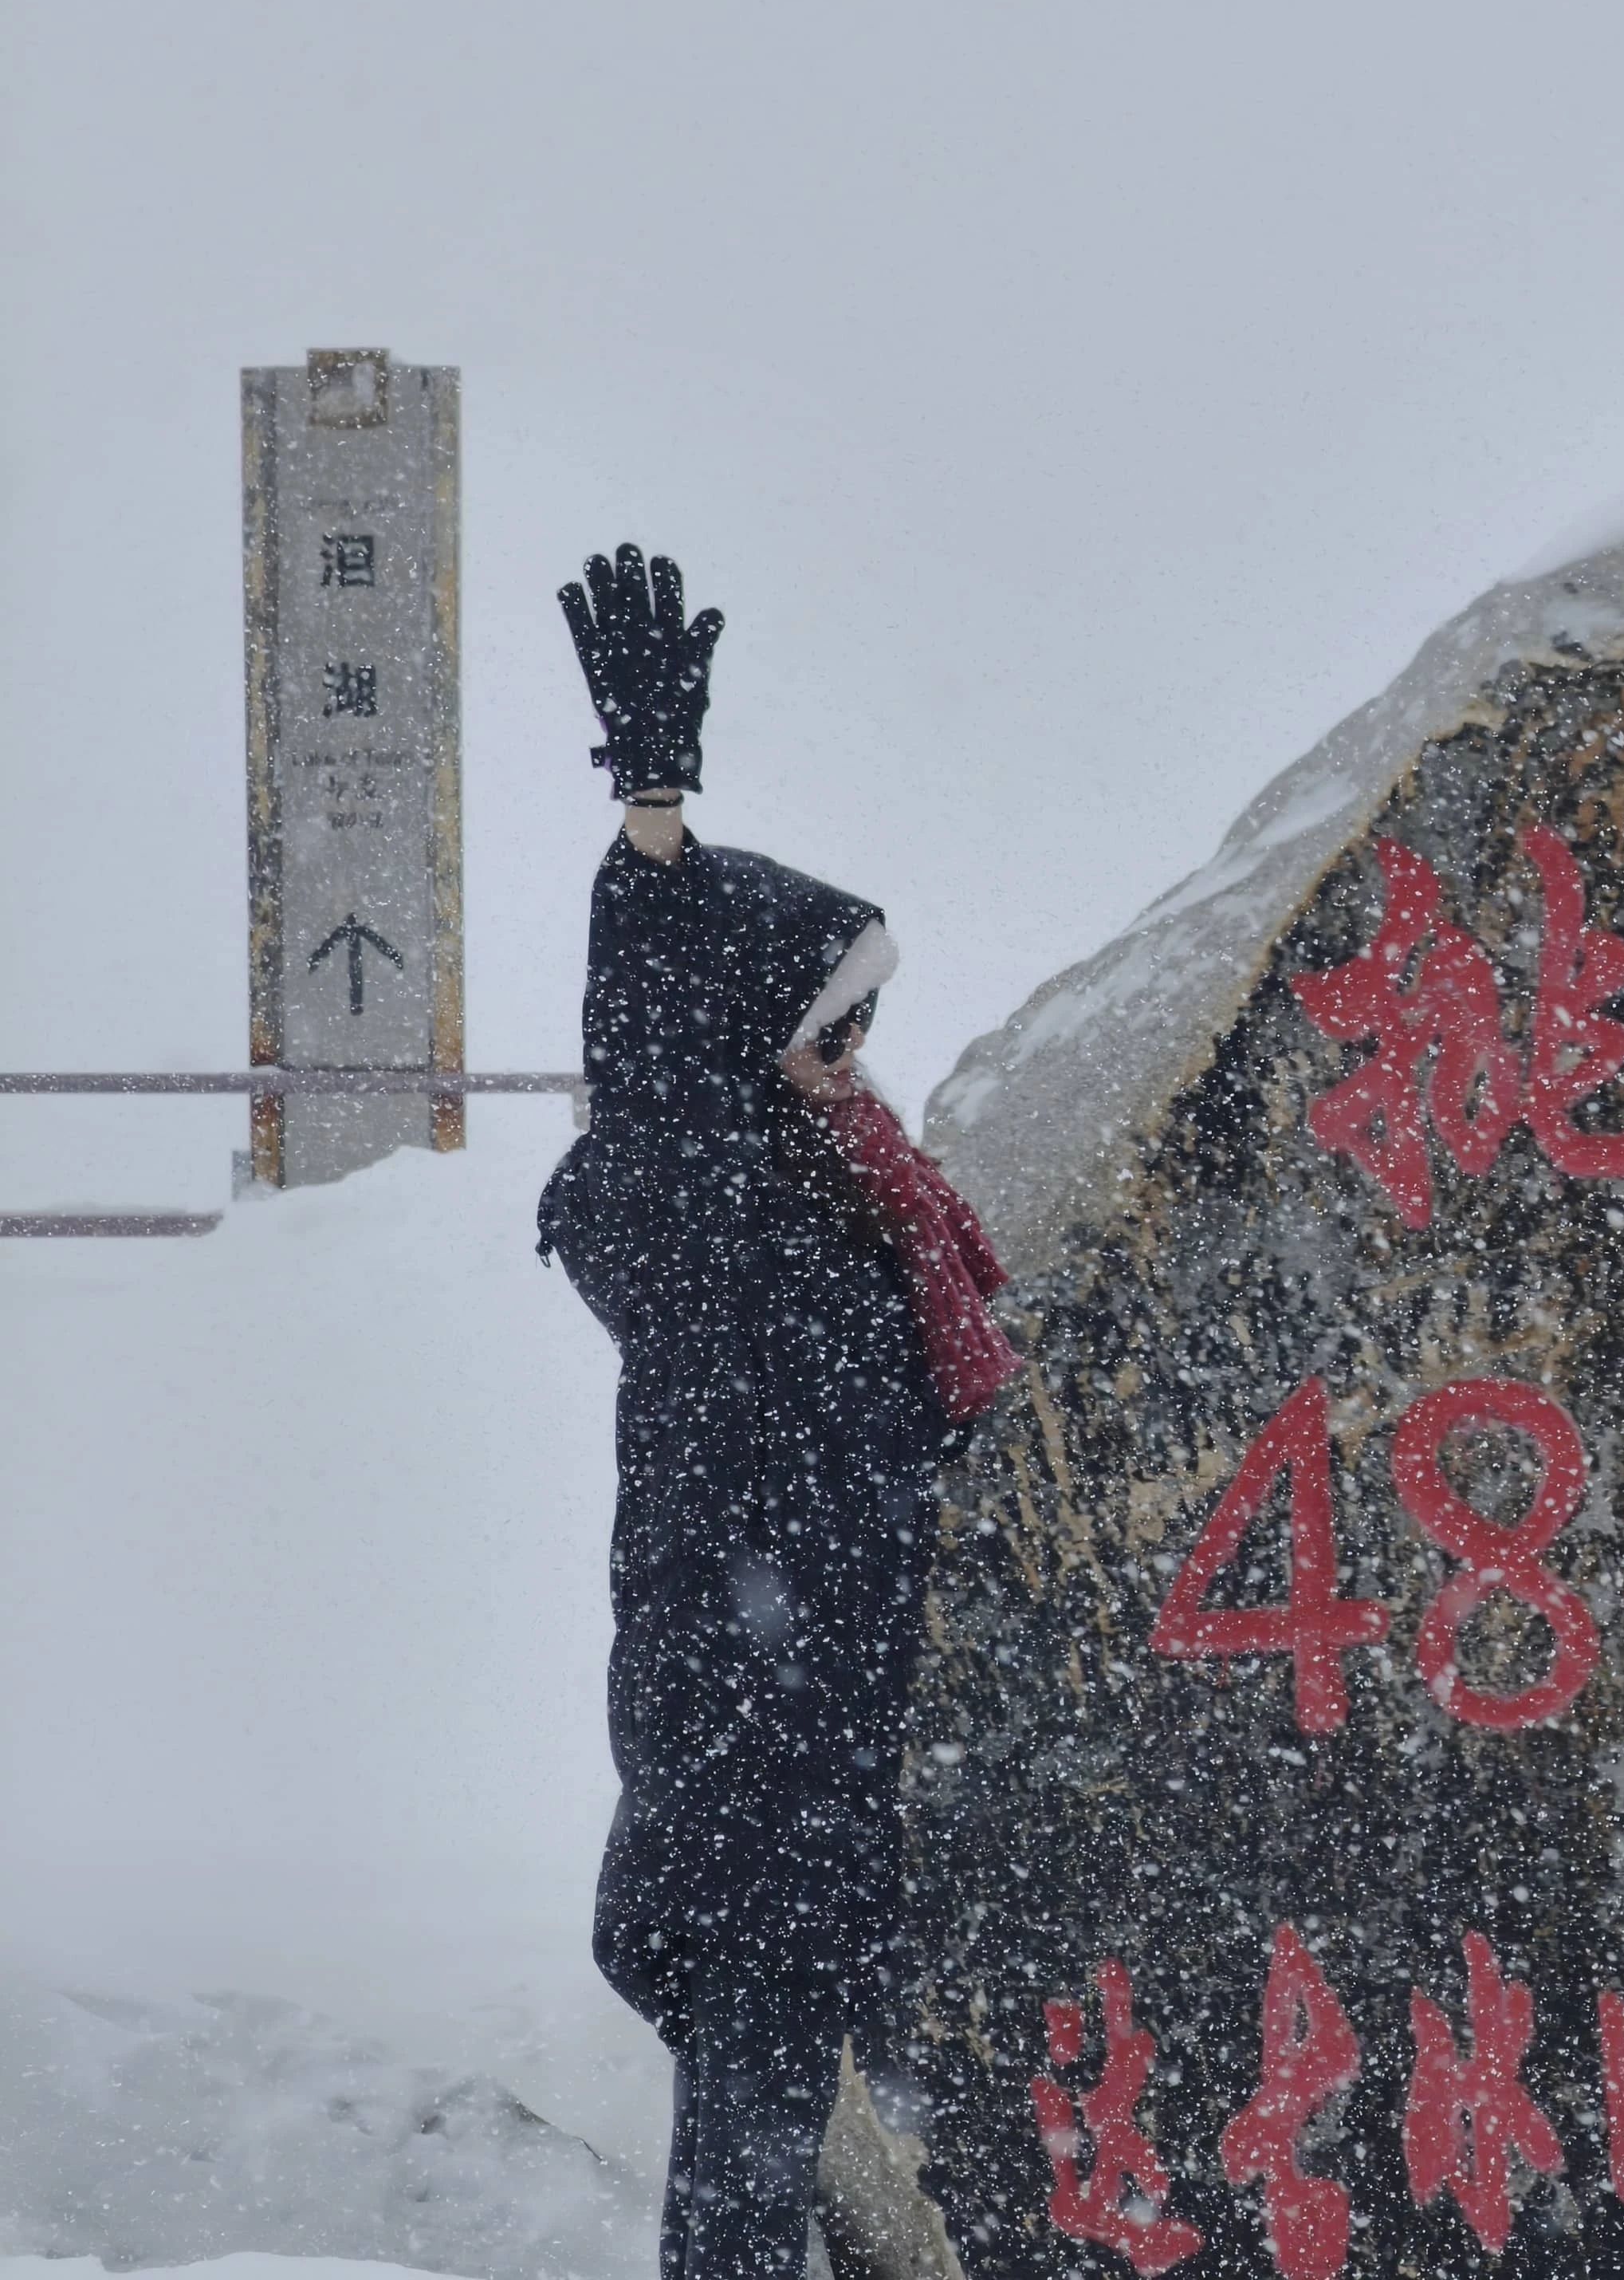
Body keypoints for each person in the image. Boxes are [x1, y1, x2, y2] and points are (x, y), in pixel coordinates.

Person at [536, 545, 1007, 2280]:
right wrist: (654, 813)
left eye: (865, 1020)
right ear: (746, 1031)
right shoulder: (698, 1203)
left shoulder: (842, 1199)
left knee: (795, 2092)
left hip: (823, 1717)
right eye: (831, 1023)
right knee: (755, 2080)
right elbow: (653, 1040)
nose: (856, 1053)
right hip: (750, 1722)